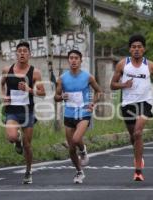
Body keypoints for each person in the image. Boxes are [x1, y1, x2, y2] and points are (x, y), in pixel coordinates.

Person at [110, 34, 153, 181]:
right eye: (133, 47)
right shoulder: (122, 64)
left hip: (145, 103)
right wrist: (124, 85)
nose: (137, 49)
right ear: (130, 49)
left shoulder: (151, 66)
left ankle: (138, 170)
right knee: (134, 137)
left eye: (139, 47)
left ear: (144, 49)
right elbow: (112, 85)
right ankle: (138, 155)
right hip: (128, 104)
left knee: (138, 133)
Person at [0, 41, 45, 184]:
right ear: (16, 54)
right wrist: (3, 96)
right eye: (19, 51)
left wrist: (29, 89)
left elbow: (42, 92)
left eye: (25, 51)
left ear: (29, 54)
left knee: (27, 145)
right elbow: (1, 85)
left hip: (27, 112)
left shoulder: (35, 72)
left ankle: (28, 170)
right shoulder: (7, 70)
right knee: (12, 137)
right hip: (12, 111)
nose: (22, 53)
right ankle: (16, 141)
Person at [54, 49, 102, 184]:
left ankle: (83, 149)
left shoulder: (88, 77)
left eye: (76, 58)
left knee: (76, 139)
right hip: (69, 114)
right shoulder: (62, 79)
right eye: (71, 58)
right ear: (68, 60)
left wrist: (93, 103)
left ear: (81, 61)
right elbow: (56, 97)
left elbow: (99, 91)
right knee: (70, 148)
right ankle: (79, 172)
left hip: (84, 113)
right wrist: (61, 96)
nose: (73, 60)